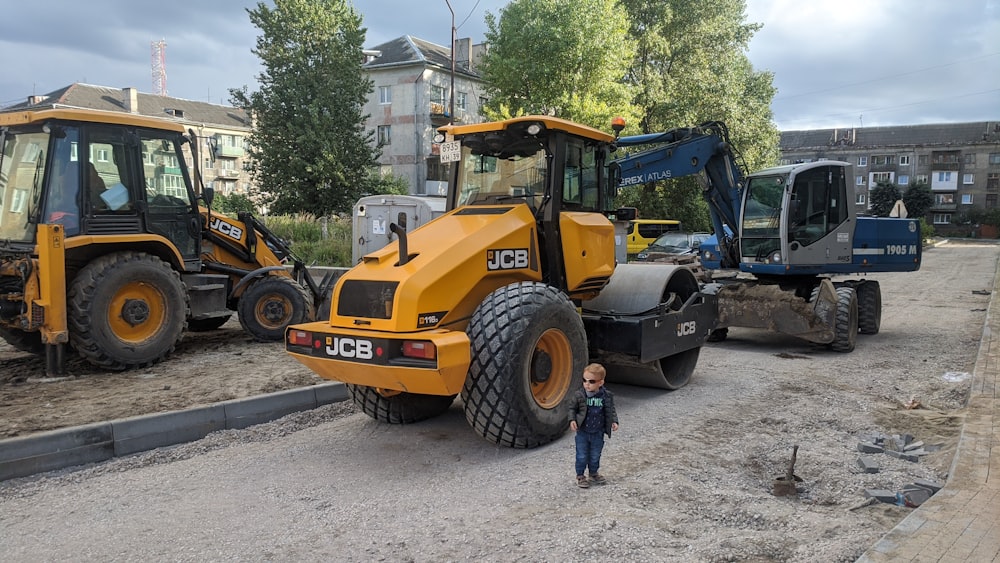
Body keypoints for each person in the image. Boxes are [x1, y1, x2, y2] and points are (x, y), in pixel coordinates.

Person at [568, 362, 619, 488]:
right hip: (583, 432)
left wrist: (614, 420)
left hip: (598, 432)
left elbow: (610, 409)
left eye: (591, 381)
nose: (587, 384)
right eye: (584, 380)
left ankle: (593, 473)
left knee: (596, 454)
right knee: (581, 454)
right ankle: (580, 475)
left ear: (600, 383)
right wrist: (572, 420)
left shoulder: (606, 396)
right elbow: (571, 408)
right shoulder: (580, 395)